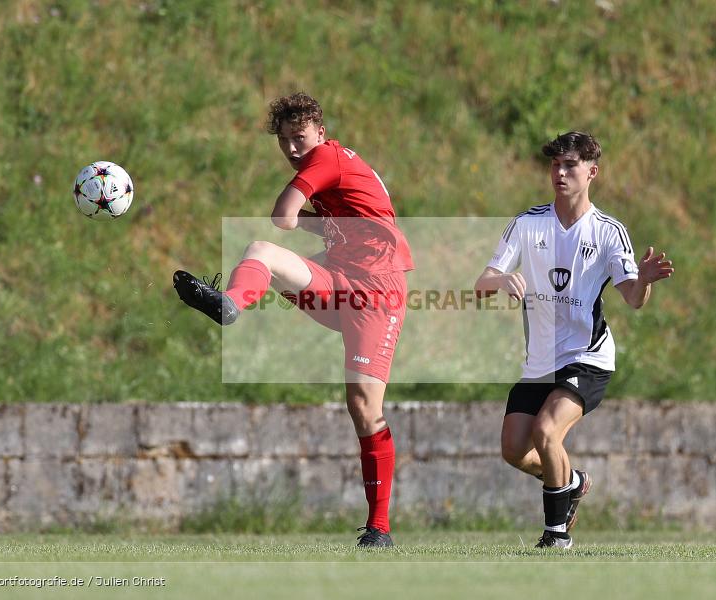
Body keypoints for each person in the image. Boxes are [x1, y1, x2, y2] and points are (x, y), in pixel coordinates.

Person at [173, 92, 414, 548]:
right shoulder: (335, 163)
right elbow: (341, 222)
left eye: (298, 137)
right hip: (344, 278)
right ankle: (229, 303)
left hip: (378, 293)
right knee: (261, 255)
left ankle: (379, 528)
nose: (292, 149)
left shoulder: (325, 159)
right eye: (283, 141)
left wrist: (298, 215)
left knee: (364, 407)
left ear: (320, 133)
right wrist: (318, 225)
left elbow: (280, 217)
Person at [473, 131, 673, 548]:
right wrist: (502, 279)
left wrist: (647, 281)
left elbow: (633, 299)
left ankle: (556, 535)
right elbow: (481, 283)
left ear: (592, 172)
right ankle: (574, 482)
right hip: (539, 362)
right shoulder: (528, 224)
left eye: (569, 165)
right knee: (514, 451)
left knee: (548, 433)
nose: (560, 173)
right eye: (555, 165)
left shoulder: (607, 232)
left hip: (588, 357)